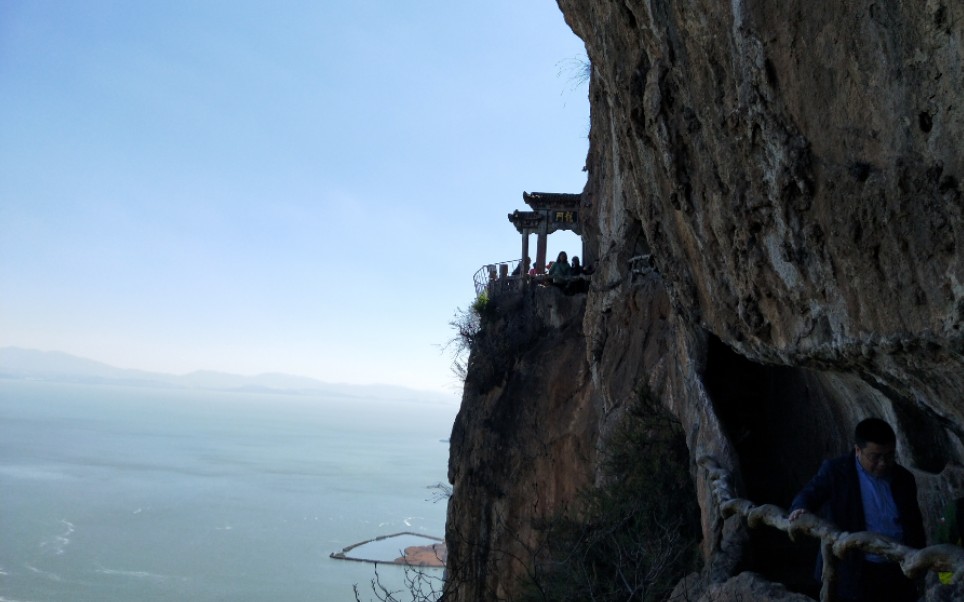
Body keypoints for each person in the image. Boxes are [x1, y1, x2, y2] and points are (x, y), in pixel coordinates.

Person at [788, 418, 925, 602]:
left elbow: (914, 523)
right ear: (858, 450)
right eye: (875, 456)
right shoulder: (837, 471)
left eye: (889, 455)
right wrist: (800, 508)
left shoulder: (904, 478)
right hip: (855, 568)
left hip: (897, 567)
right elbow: (810, 493)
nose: (883, 463)